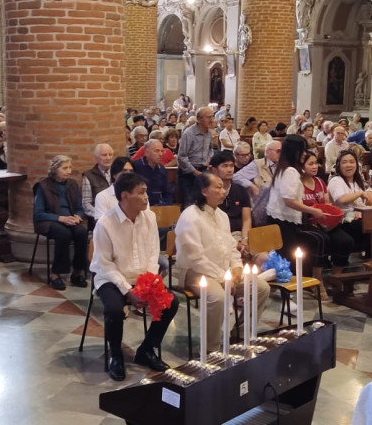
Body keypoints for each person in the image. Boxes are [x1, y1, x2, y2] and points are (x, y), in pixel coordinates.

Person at [90, 173, 177, 381]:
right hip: (111, 278)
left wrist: (148, 283)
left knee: (171, 303)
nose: (147, 197)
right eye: (142, 192)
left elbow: (153, 253)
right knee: (114, 309)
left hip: (141, 277)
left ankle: (146, 349)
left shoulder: (149, 217)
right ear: (125, 196)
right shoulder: (105, 223)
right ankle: (116, 355)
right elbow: (104, 264)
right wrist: (127, 290)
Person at [176, 172, 270, 351]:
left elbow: (231, 246)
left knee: (261, 288)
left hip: (225, 270)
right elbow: (195, 258)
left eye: (223, 187)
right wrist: (222, 277)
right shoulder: (190, 217)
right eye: (218, 187)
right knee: (217, 297)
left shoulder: (221, 215)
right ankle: (211, 347)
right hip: (196, 272)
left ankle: (241, 334)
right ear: (204, 191)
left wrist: (237, 268)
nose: (223, 191)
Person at [267, 135, 329, 269]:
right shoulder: (290, 171)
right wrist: (313, 210)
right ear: (294, 151)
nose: (305, 153)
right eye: (303, 150)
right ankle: (312, 278)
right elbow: (289, 200)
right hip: (283, 221)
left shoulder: (284, 167)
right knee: (298, 254)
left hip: (280, 219)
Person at [34, 155, 89, 290]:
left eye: (70, 168)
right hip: (49, 220)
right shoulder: (43, 186)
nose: (69, 171)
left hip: (69, 219)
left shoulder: (72, 184)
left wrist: (78, 217)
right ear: (55, 169)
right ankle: (55, 274)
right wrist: (60, 218)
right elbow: (38, 214)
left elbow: (80, 208)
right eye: (65, 168)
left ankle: (77, 272)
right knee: (63, 233)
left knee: (81, 232)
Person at [301, 151, 355, 268]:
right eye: (310, 164)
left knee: (346, 240)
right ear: (301, 166)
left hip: (324, 222)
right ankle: (320, 270)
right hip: (308, 223)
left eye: (316, 163)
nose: (315, 166)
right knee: (323, 239)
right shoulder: (298, 184)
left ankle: (337, 273)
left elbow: (326, 205)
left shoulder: (320, 182)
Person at [328, 150, 372, 256]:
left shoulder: (357, 182)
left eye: (352, 162)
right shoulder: (336, 181)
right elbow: (341, 199)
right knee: (368, 226)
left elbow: (366, 203)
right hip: (342, 221)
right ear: (339, 165)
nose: (349, 165)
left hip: (357, 218)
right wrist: (360, 193)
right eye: (344, 162)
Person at [209, 151, 253, 257]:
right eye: (225, 166)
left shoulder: (241, 190)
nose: (229, 170)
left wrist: (245, 239)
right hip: (218, 237)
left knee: (262, 256)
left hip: (240, 234)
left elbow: (246, 219)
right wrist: (233, 243)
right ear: (214, 170)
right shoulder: (209, 193)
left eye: (232, 166)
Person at [177, 107, 215, 208]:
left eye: (212, 117)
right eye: (209, 117)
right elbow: (182, 157)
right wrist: (195, 172)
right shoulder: (189, 133)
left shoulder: (209, 133)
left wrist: (207, 160)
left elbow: (210, 150)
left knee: (203, 203)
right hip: (188, 174)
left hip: (203, 170)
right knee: (189, 203)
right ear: (199, 119)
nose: (212, 120)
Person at [133, 140, 172, 206]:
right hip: (139, 205)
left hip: (159, 206)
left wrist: (166, 204)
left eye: (161, 151)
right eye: (157, 151)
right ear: (146, 152)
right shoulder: (136, 166)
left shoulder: (162, 169)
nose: (160, 154)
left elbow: (167, 192)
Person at [81, 144, 114, 222]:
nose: (108, 158)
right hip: (98, 219)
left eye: (110, 155)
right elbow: (86, 204)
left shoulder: (116, 173)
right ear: (96, 158)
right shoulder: (88, 176)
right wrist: (102, 215)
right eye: (104, 155)